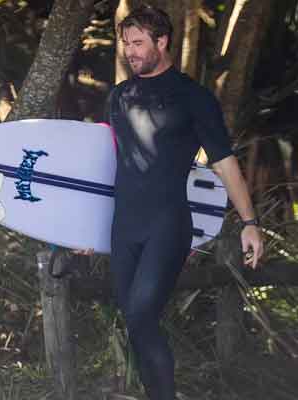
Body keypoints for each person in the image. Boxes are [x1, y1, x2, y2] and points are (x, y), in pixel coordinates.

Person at [107, 5, 263, 400]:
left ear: (163, 42)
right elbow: (109, 161)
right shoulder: (120, 96)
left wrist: (249, 221)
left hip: (167, 224)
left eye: (139, 43)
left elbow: (225, 164)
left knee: (142, 315)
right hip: (123, 226)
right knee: (134, 322)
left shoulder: (194, 98)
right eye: (126, 43)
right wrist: (78, 227)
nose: (131, 51)